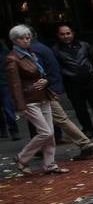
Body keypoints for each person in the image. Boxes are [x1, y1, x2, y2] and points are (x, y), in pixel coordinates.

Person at [6, 25, 68, 174]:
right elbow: (14, 84)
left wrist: (46, 81)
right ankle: (22, 158)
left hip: (42, 96)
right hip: (29, 100)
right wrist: (20, 105)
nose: (26, 40)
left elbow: (41, 73)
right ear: (14, 40)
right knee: (45, 132)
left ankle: (50, 164)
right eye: (22, 38)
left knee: (50, 132)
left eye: (28, 37)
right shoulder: (13, 59)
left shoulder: (30, 54)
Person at [29, 37, 93, 158]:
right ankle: (85, 144)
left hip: (38, 93)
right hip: (44, 91)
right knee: (56, 121)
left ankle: (30, 155)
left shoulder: (28, 53)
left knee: (46, 124)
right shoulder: (40, 50)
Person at [54, 24, 93, 137]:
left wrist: (88, 70)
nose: (66, 36)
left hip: (88, 80)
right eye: (62, 34)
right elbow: (57, 67)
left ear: (72, 33)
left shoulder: (84, 45)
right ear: (58, 35)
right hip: (72, 83)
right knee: (80, 108)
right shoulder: (56, 50)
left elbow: (91, 59)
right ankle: (88, 129)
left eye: (68, 33)